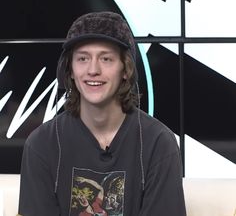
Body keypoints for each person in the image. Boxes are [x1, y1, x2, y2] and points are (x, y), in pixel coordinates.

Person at [18, 11, 186, 216]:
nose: (93, 70)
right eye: (82, 59)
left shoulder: (159, 143)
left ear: (126, 70)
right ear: (69, 70)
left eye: (106, 59)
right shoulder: (41, 145)